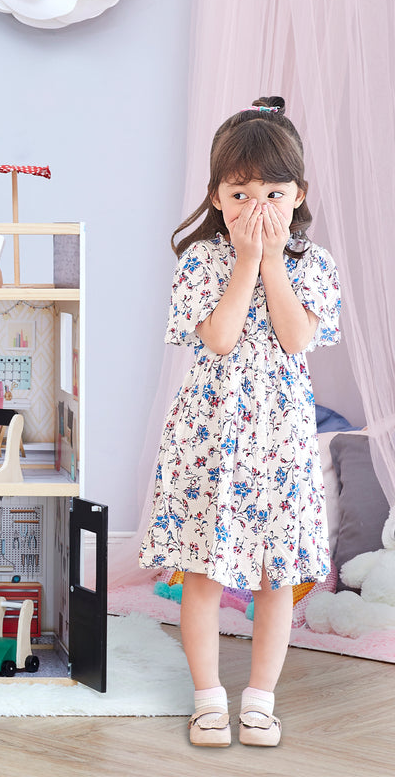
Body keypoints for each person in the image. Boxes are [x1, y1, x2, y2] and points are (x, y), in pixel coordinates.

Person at [139, 97, 342, 747]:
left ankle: (259, 700)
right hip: (210, 442)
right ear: (218, 196)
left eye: (273, 192)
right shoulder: (200, 263)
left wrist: (274, 261)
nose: (257, 207)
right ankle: (207, 699)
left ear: (298, 195)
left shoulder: (314, 266)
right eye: (240, 192)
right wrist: (246, 262)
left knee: (273, 576)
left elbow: (294, 338)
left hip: (279, 444)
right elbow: (221, 338)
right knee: (202, 571)